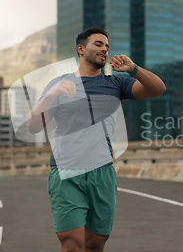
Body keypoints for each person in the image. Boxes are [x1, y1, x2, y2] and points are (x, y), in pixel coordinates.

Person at [27, 26, 165, 252]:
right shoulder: (59, 84)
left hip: (102, 172)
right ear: (81, 49)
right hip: (66, 171)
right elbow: (33, 126)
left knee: (95, 244)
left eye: (107, 46)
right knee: (72, 242)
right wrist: (51, 95)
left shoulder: (116, 84)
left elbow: (158, 89)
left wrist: (134, 69)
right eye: (98, 44)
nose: (105, 50)